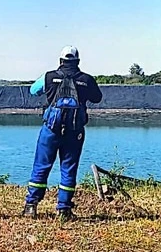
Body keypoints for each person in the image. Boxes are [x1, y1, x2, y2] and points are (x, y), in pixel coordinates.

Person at [23, 45, 102, 220]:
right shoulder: (86, 79)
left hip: (50, 130)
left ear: (60, 61)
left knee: (41, 166)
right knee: (68, 168)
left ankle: (31, 206)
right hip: (74, 132)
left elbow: (33, 91)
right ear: (78, 61)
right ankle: (64, 210)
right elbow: (97, 97)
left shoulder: (49, 77)